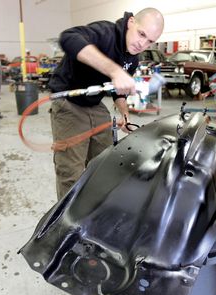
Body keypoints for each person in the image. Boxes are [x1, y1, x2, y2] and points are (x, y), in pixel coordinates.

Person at [48, 8, 164, 199]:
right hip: (68, 103)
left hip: (95, 105)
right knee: (71, 173)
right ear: (131, 22)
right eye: (141, 34)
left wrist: (125, 115)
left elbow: (118, 90)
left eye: (150, 41)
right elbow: (68, 37)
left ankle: (96, 211)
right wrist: (114, 70)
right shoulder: (105, 33)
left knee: (105, 164)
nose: (142, 44)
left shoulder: (132, 58)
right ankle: (66, 225)